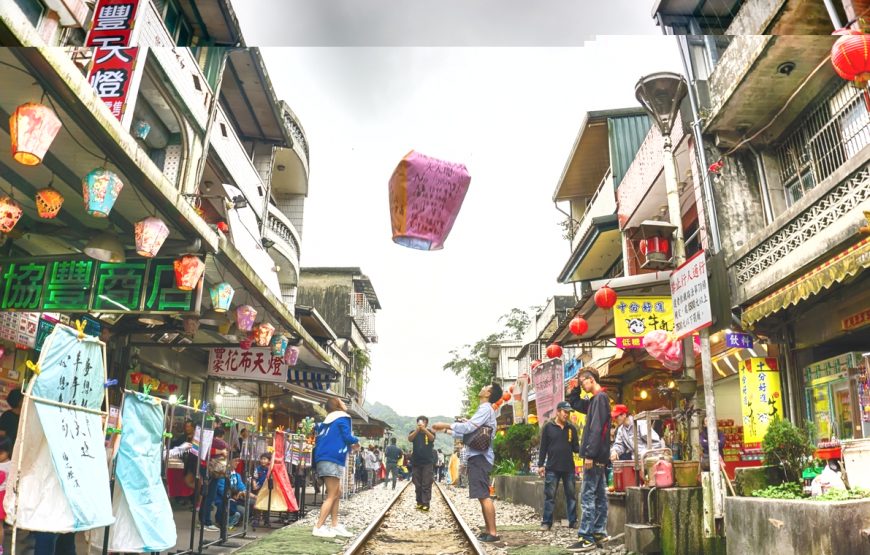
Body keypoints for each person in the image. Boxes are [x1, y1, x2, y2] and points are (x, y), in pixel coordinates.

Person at [432, 383, 502, 543]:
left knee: (484, 495)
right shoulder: (485, 409)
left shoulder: (485, 408)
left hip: (480, 457)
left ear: (488, 393)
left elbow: (469, 427)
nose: (483, 387)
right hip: (479, 457)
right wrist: (446, 430)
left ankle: (493, 532)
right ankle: (489, 530)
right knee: (481, 495)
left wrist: (445, 424)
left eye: (486, 386)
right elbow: (469, 430)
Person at [567, 369, 611, 552]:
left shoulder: (599, 399)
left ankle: (586, 536)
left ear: (590, 380)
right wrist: (576, 386)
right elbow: (576, 403)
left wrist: (590, 455)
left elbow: (596, 428)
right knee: (600, 495)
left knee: (587, 496)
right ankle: (599, 532)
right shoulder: (596, 400)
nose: (583, 387)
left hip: (595, 456)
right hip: (600, 456)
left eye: (583, 382)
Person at [312, 397, 359, 539]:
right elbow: (347, 436)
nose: (345, 404)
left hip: (324, 457)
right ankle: (318, 527)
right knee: (332, 494)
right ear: (338, 405)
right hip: (332, 458)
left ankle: (334, 524)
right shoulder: (342, 418)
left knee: (337, 492)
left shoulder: (327, 421)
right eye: (342, 402)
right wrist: (356, 441)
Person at [538, 401, 580, 531]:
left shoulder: (571, 428)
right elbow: (543, 447)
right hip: (552, 467)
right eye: (565, 412)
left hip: (568, 468)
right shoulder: (548, 427)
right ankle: (546, 522)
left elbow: (576, 448)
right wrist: (540, 465)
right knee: (550, 496)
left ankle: (572, 522)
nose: (566, 415)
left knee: (571, 496)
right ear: (558, 411)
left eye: (568, 413)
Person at [200, 426, 228, 532]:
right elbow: (224, 446)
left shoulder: (207, 440)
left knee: (206, 495)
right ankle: (206, 521)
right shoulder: (216, 443)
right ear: (219, 436)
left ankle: (203, 519)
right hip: (211, 470)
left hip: (206, 469)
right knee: (209, 496)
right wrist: (221, 452)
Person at [408, 416, 436, 511]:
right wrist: (417, 430)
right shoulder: (413, 432)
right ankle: (419, 502)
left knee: (426, 483)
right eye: (420, 422)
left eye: (424, 422)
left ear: (426, 423)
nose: (421, 424)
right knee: (417, 483)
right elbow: (410, 439)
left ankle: (426, 503)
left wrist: (424, 430)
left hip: (427, 462)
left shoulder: (430, 432)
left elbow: (432, 439)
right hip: (416, 462)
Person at [0, 438, 11, 554]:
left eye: (1, 453)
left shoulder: (9, 466)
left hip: (1, 498)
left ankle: (0, 546)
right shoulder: (11, 464)